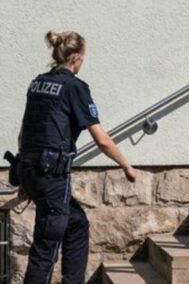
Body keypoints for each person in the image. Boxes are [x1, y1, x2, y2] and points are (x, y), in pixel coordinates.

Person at [16, 31, 137, 284]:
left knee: (76, 223)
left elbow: (24, 131)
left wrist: (27, 177)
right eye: (83, 59)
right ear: (75, 58)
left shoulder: (37, 82)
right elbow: (101, 139)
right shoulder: (74, 87)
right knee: (45, 249)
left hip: (31, 168)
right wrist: (126, 165)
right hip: (51, 176)